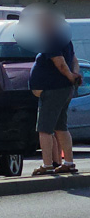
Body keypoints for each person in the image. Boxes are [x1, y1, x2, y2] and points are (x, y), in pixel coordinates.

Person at [29, 24, 80, 175]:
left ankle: (47, 164)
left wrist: (71, 76)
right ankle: (69, 163)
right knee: (61, 127)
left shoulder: (50, 41)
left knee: (44, 129)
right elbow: (74, 61)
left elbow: (61, 63)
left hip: (53, 90)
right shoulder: (65, 41)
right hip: (63, 89)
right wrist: (74, 76)